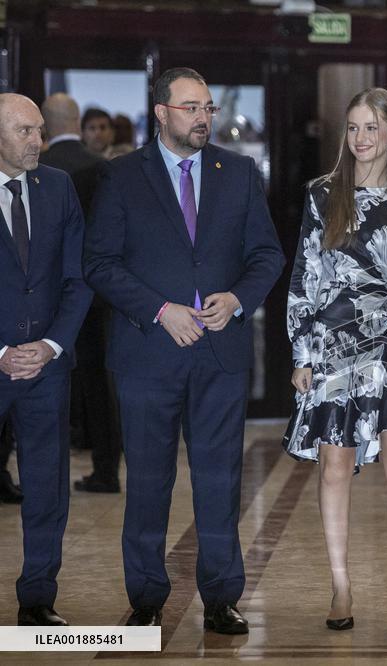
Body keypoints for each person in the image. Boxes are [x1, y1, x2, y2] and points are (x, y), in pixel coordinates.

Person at [85, 67, 284, 632]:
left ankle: (222, 597)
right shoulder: (122, 177)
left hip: (219, 355)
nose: (203, 118)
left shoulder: (238, 172)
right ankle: (147, 599)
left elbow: (267, 254)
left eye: (207, 109)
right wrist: (159, 309)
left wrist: (238, 299)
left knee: (220, 479)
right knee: (148, 480)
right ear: (162, 113)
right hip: (148, 353)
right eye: (191, 107)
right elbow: (99, 262)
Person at [283, 88, 387, 636]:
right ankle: (340, 584)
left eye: (372, 127)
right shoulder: (322, 195)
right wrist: (302, 352)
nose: (362, 138)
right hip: (334, 344)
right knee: (334, 468)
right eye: (353, 128)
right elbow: (305, 278)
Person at [0, 93, 92, 626]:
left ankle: (37, 598)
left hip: (46, 368)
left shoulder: (57, 187)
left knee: (46, 487)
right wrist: (3, 353)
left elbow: (77, 279)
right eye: (24, 132)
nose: (37, 142)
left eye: (38, 130)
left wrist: (51, 346)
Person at [39, 92, 122, 494]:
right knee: (96, 380)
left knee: (31, 376)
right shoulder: (100, 168)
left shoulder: (36, 166)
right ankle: (106, 469)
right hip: (95, 290)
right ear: (76, 121)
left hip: (39, 293)